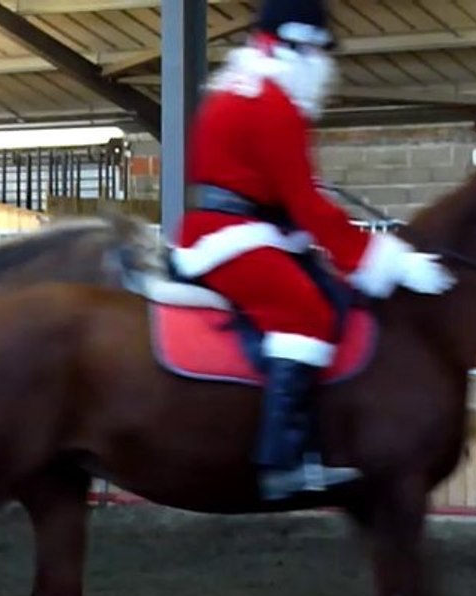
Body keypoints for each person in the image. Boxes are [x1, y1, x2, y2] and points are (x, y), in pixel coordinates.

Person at [170, 0, 456, 499]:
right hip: (231, 235)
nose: (326, 66)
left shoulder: (239, 86)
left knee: (323, 288)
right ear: (300, 46)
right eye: (322, 53)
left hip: (242, 224)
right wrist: (386, 260)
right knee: (305, 313)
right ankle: (282, 458)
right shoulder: (274, 104)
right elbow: (306, 203)